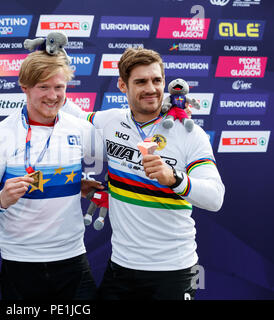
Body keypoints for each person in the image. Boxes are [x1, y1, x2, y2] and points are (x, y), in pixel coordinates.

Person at [63, 47, 225, 300]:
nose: (151, 88)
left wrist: (175, 179)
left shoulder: (189, 132)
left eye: (157, 80)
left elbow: (215, 198)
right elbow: (69, 113)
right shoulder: (110, 121)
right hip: (121, 268)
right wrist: (53, 61)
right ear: (122, 85)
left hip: (173, 271)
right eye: (140, 81)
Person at [0, 50, 100, 300]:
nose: (53, 96)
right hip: (21, 264)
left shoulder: (82, 129)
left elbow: (124, 155)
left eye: (59, 87)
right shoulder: (1, 135)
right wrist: (1, 200)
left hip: (73, 260)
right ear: (25, 87)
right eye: (43, 87)